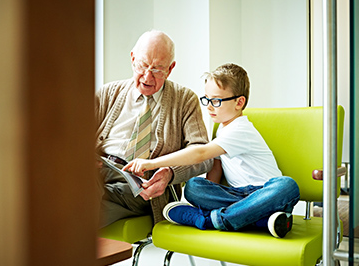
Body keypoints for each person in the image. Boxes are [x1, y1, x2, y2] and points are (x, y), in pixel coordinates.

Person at [123, 63, 300, 238]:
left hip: (266, 196)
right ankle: (260, 221)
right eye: (207, 99)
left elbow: (200, 153)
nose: (208, 106)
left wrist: (152, 163)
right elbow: (215, 171)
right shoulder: (221, 132)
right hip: (237, 197)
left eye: (216, 101)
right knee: (193, 187)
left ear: (239, 102)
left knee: (287, 186)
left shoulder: (240, 130)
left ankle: (210, 220)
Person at [95, 30, 213, 227]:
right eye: (142, 65)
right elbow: (75, 138)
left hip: (141, 187)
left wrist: (170, 172)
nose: (147, 77)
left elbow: (205, 156)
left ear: (170, 68)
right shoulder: (108, 93)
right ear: (133, 59)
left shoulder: (184, 100)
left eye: (158, 69)